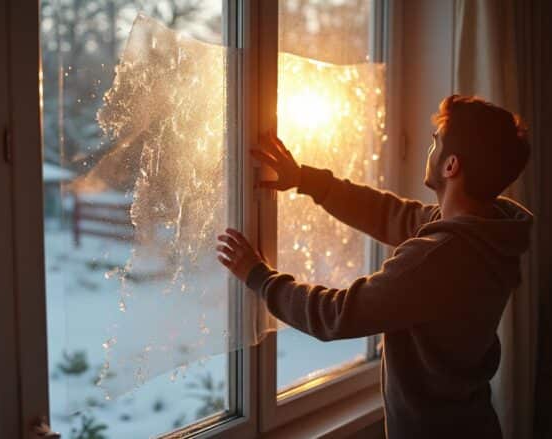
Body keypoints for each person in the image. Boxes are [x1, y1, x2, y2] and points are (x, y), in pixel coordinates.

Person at [215, 95, 533, 438]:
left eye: (436, 141)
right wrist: (305, 180)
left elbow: (336, 315)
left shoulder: (439, 258)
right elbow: (388, 214)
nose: (431, 147)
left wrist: (258, 276)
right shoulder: (485, 232)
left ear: (450, 165)